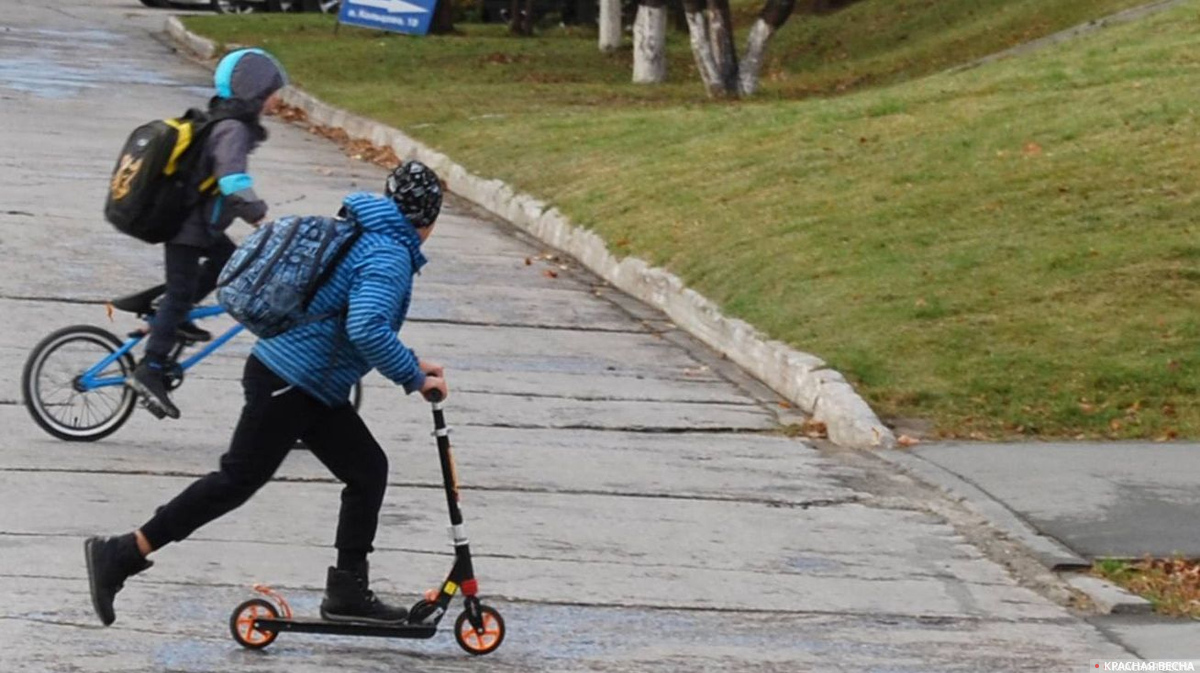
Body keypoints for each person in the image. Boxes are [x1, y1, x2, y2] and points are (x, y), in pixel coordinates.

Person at [84, 161, 448, 627]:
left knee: (367, 469)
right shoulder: (389, 254)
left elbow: (343, 318)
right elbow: (365, 327)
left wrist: (411, 361)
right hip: (290, 382)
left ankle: (347, 592)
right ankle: (122, 553)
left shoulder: (368, 232)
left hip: (308, 383)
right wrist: (413, 379)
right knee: (236, 481)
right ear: (429, 218)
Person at [127, 48, 287, 420]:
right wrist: (262, 219)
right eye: (275, 90)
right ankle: (150, 367)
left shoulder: (229, 122)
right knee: (181, 291)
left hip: (201, 226)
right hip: (186, 228)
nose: (280, 98)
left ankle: (174, 316)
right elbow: (232, 180)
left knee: (229, 264)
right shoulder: (232, 129)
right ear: (256, 89)